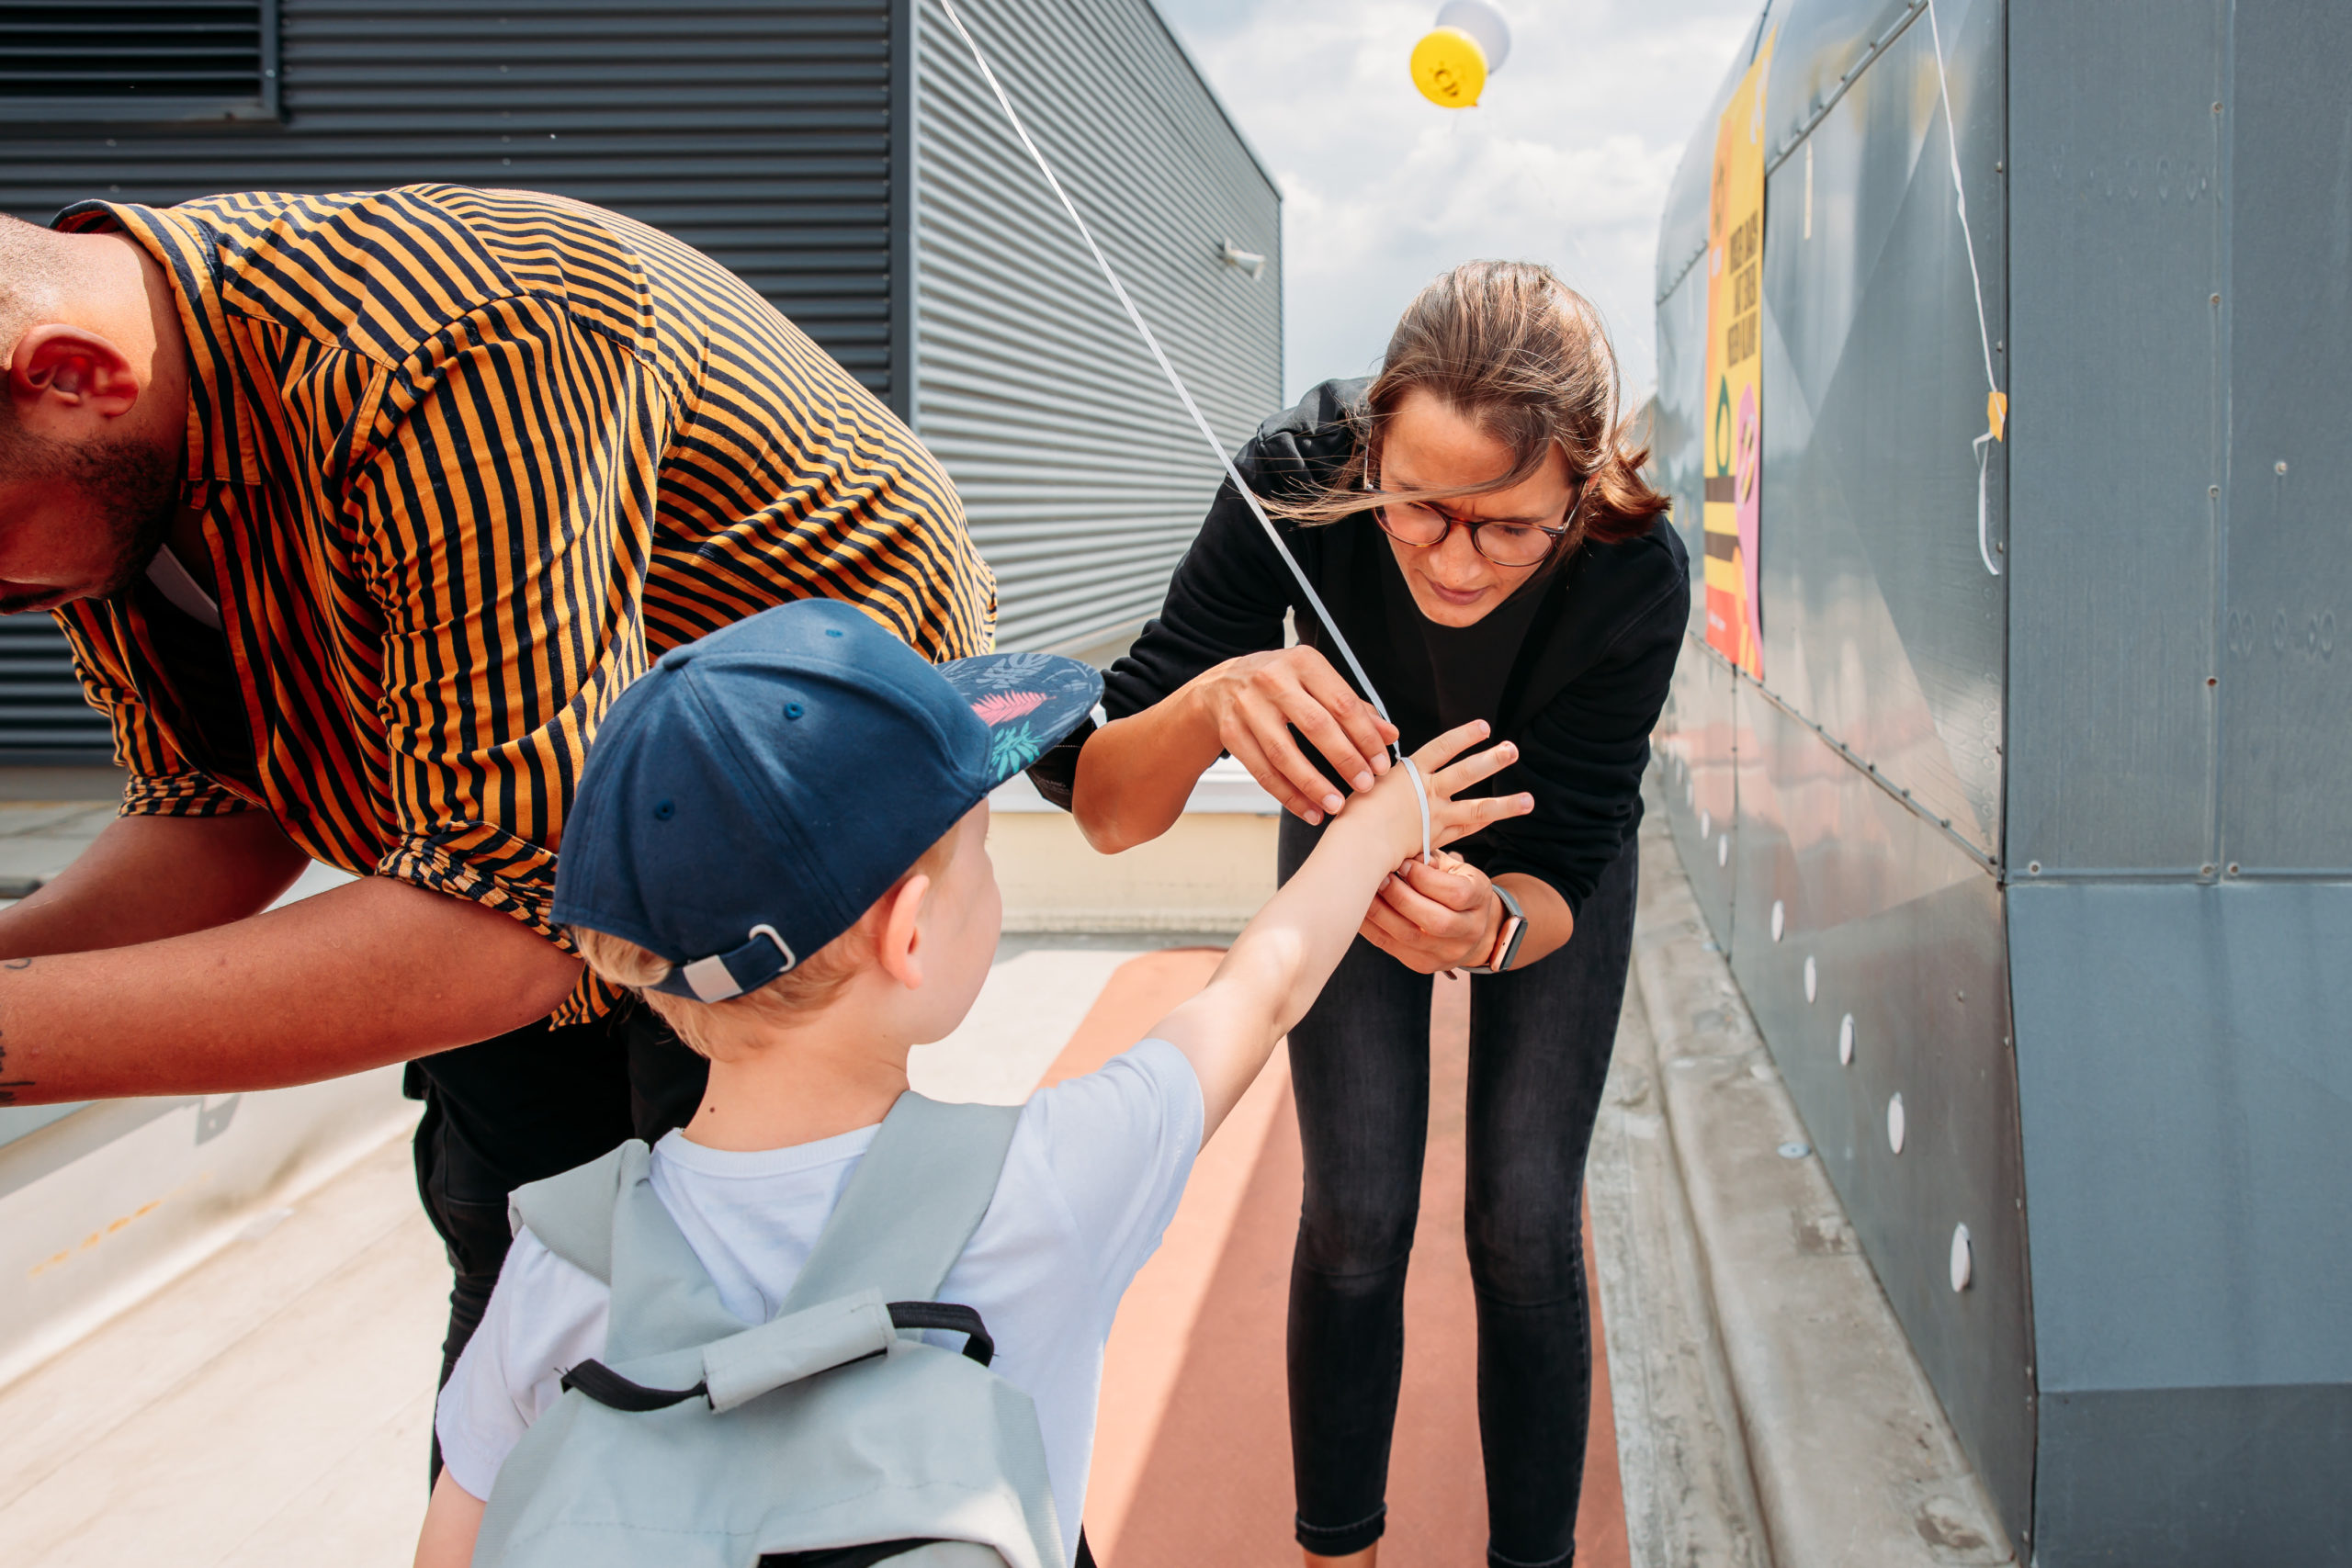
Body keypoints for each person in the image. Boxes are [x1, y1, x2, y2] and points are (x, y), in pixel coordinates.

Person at [0, 186, 993, 1441]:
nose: (12, 601)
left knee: (780, 1321)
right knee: (528, 1275)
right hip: (482, 858)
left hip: (780, 840)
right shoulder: (105, 459)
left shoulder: (454, 337)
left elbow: (500, 923)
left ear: (71, 372)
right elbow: (219, 812)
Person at [411, 597, 1532, 1568]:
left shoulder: (557, 1257)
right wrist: (1388, 820)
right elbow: (1263, 989)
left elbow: (456, 1537)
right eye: (979, 855)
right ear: (910, 933)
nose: (988, 879)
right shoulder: (1042, 1189)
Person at [1026, 261, 1689, 1568]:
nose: (1455, 557)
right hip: (1351, 833)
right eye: (1418, 507)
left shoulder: (1634, 570)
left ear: (1585, 489)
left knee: (1521, 1210)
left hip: (1539, 867)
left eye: (1510, 527)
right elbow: (1102, 802)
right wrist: (1216, 697)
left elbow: (1580, 842)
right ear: (1368, 443)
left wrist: (1495, 923)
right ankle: (1340, 1553)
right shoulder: (1294, 477)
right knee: (1354, 1210)